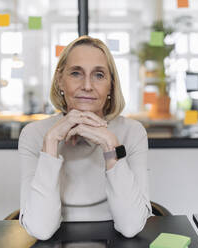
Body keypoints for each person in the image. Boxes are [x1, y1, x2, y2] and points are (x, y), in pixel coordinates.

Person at [18, 36, 152, 240]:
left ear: (111, 86)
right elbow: (40, 229)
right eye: (76, 73)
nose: (87, 86)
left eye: (99, 75)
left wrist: (110, 147)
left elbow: (131, 226)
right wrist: (51, 143)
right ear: (60, 80)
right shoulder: (34, 134)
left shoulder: (132, 132)